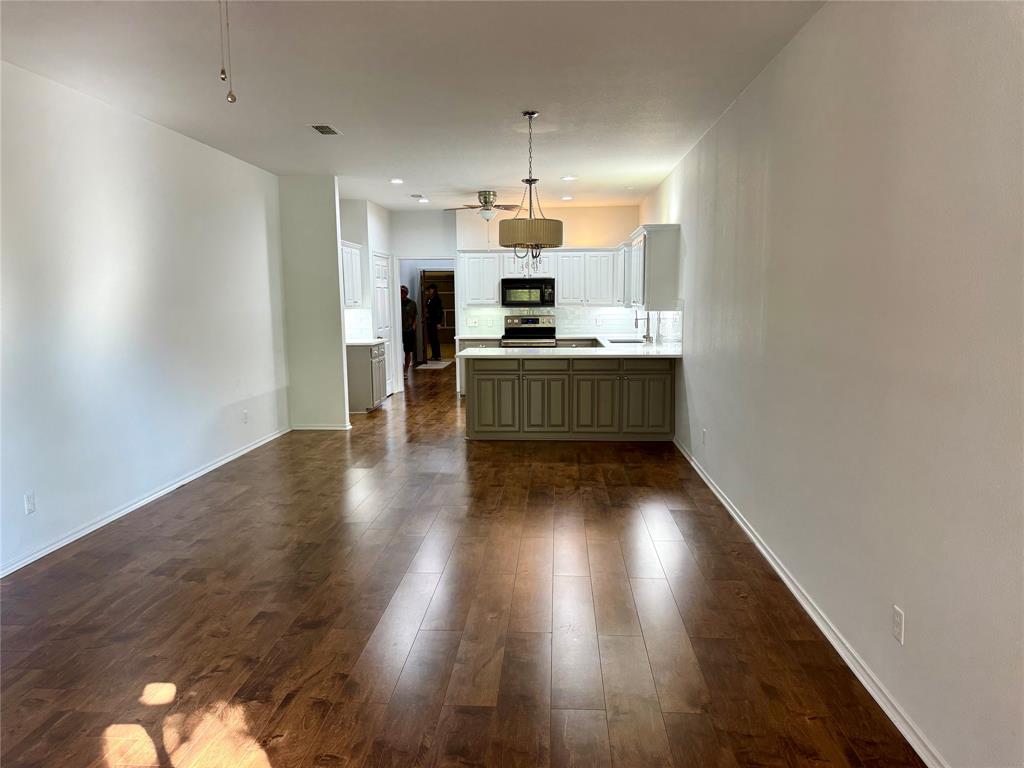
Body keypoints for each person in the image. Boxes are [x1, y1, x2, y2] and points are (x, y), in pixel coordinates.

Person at [400, 285, 417, 378]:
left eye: (403, 292)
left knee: (407, 351)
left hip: (409, 330)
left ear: (406, 293)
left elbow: (415, 316)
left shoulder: (412, 303)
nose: (401, 294)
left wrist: (413, 327)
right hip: (399, 330)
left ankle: (405, 371)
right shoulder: (396, 303)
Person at [424, 283, 444, 361]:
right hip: (429, 321)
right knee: (431, 339)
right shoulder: (429, 299)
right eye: (429, 289)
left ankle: (437, 355)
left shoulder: (437, 299)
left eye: (431, 289)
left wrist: (438, 322)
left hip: (434, 321)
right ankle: (434, 355)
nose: (429, 291)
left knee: (435, 338)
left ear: (434, 290)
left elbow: (439, 311)